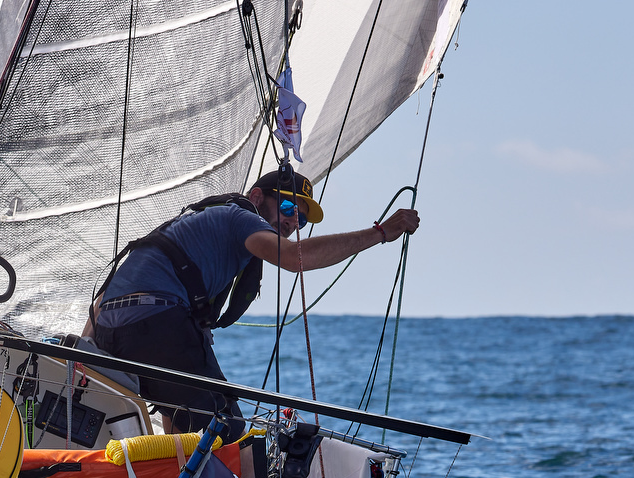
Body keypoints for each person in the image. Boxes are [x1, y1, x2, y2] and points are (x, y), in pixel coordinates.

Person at [91, 168, 419, 435]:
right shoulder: (240, 218)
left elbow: (106, 299)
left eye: (301, 220)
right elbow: (294, 257)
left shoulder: (193, 227)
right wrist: (379, 233)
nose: (292, 222)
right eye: (288, 209)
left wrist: (85, 353)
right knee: (228, 433)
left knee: (187, 417)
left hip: (110, 331)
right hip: (156, 325)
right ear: (257, 197)